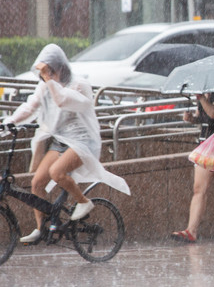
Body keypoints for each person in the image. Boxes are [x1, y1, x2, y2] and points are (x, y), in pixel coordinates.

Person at [2, 44, 130, 243]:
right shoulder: (46, 85)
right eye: (46, 71)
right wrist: (10, 121)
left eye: (51, 70)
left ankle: (84, 202)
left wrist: (48, 80)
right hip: (61, 141)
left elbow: (62, 100)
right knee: (37, 183)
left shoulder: (79, 85)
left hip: (83, 142)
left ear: (61, 67)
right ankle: (41, 228)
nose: (48, 75)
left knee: (57, 173)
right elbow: (30, 106)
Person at [171, 92, 214, 243]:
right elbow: (203, 118)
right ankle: (191, 231)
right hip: (204, 149)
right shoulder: (204, 97)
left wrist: (201, 98)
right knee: (198, 190)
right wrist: (192, 119)